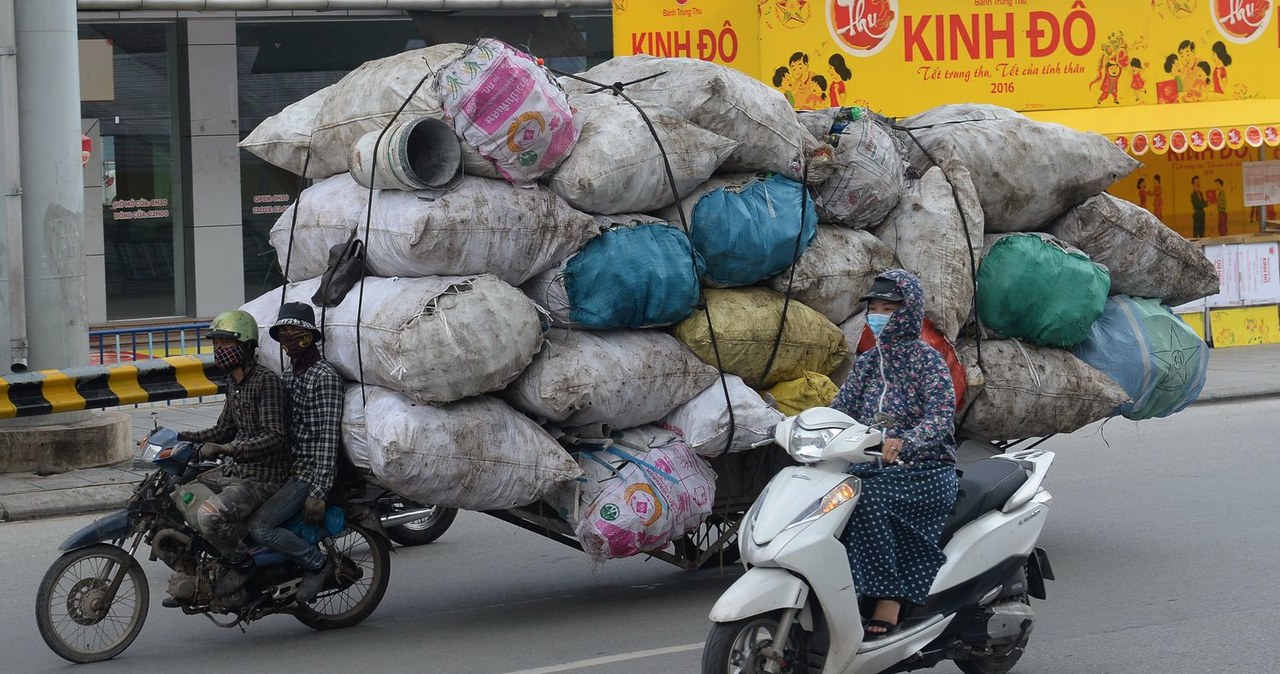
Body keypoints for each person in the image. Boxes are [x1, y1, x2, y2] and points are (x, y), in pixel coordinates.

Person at [830, 270, 959, 637]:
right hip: (873, 465)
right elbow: (841, 409)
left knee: (865, 499)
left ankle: (889, 597)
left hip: (926, 470)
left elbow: (940, 416)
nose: (879, 315)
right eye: (874, 308)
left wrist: (906, 442)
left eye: (889, 308)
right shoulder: (869, 362)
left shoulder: (928, 361)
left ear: (908, 312)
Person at [177, 310, 290, 597]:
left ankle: (242, 564)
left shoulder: (266, 382)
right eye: (216, 344)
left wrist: (229, 449)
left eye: (226, 345)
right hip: (237, 470)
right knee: (182, 492)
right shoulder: (233, 382)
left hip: (264, 478)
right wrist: (181, 438)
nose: (219, 350)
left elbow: (275, 437)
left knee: (209, 516)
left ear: (246, 346)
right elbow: (223, 430)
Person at [248, 302, 345, 602]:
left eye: (294, 333)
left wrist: (319, 491)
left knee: (261, 527)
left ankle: (318, 564)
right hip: (287, 469)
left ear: (309, 336)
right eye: (283, 334)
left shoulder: (324, 376)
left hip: (308, 474)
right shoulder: (289, 377)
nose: (288, 340)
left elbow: (328, 439)